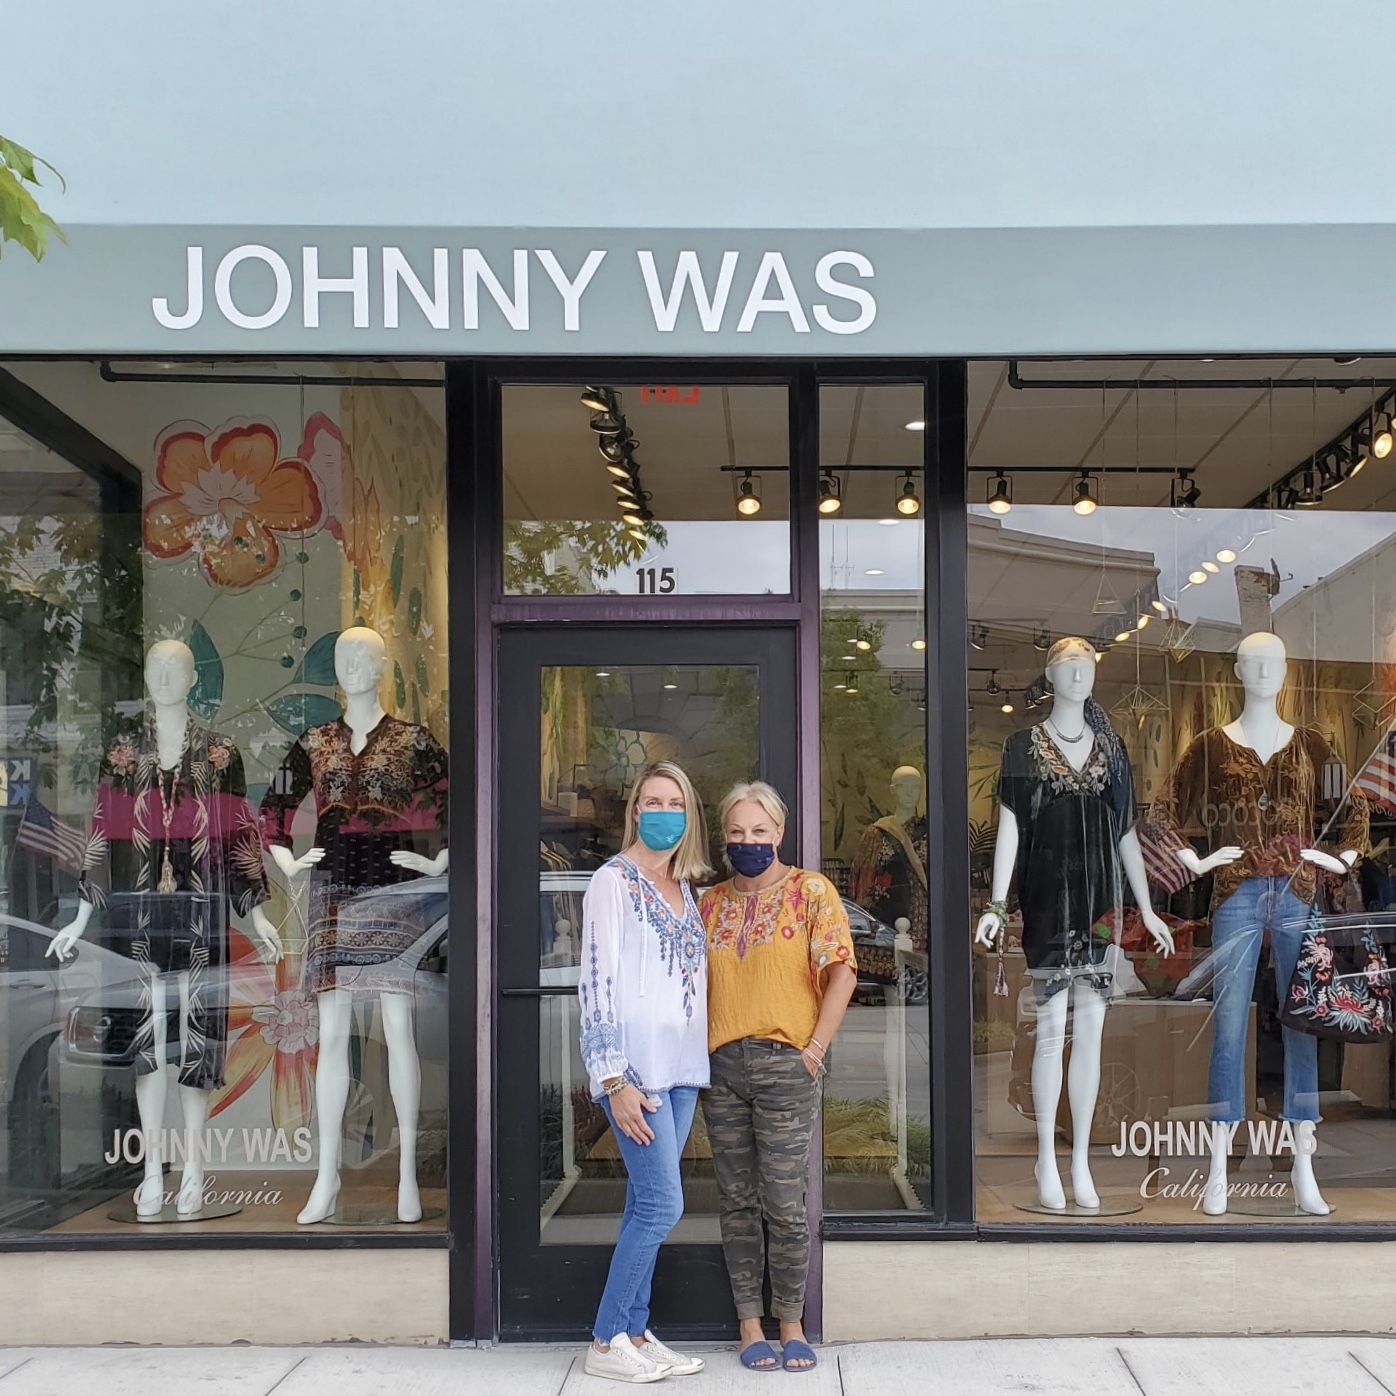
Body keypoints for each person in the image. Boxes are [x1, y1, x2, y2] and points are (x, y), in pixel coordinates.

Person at [700, 781, 858, 1373]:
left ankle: (791, 1322)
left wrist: (814, 1051)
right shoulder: (708, 905)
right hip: (721, 1069)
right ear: (724, 836)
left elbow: (842, 972)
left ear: (779, 833)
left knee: (786, 1203)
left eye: (759, 831)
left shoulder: (810, 892)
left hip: (787, 1064)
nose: (749, 841)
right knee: (737, 1200)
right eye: (737, 832)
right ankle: (749, 1325)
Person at [579, 761, 713, 1384]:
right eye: (652, 801)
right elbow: (596, 981)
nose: (663, 812)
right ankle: (606, 1340)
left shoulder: (687, 888)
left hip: (681, 1069)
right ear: (635, 810)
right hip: (634, 1073)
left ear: (689, 815)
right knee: (663, 1204)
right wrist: (613, 1078)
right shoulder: (612, 882)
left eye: (675, 803)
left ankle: (635, 1331)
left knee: (644, 1204)